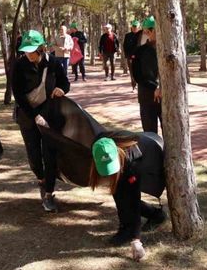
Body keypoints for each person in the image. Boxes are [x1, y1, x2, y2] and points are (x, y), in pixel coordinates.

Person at [12, 30, 70, 213]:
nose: (28, 54)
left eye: (31, 51)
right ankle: (41, 180)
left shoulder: (53, 63)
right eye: (26, 51)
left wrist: (61, 89)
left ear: (41, 48)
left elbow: (65, 82)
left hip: (49, 115)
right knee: (34, 156)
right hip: (27, 116)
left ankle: (49, 193)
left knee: (50, 154)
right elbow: (19, 95)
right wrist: (33, 115)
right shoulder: (19, 65)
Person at [89, 133, 167, 262]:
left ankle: (155, 216)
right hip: (123, 160)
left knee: (129, 198)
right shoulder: (97, 145)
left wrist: (136, 241)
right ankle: (127, 227)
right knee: (119, 194)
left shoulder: (133, 158)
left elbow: (134, 203)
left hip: (145, 156)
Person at [131, 17, 161, 134]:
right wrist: (154, 88)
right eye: (146, 31)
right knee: (150, 133)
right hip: (146, 96)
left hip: (165, 96)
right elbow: (138, 75)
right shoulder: (140, 51)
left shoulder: (169, 51)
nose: (146, 33)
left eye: (149, 31)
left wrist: (161, 88)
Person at [123, 19, 142, 90]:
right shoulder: (128, 36)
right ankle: (134, 85)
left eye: (136, 27)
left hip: (140, 57)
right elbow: (125, 46)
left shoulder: (141, 35)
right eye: (133, 27)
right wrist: (128, 56)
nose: (134, 28)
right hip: (131, 57)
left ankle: (140, 85)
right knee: (132, 72)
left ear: (139, 27)